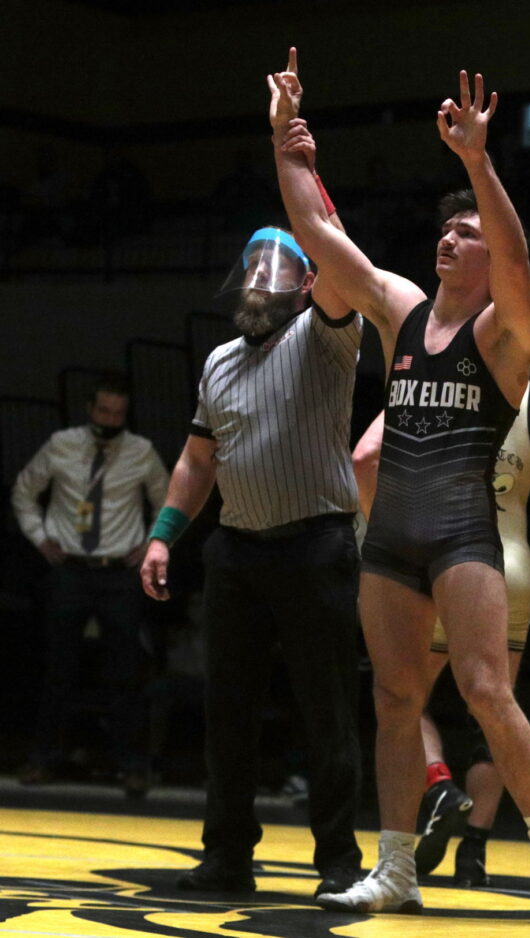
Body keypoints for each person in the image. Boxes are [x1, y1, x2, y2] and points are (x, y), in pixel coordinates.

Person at [269, 50, 530, 925]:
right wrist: (287, 149)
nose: (449, 239)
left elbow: (518, 264)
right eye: (444, 231)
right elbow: (319, 238)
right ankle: (397, 865)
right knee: (395, 697)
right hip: (392, 539)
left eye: (465, 233)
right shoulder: (402, 308)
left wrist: (478, 164)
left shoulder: (505, 335)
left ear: (488, 254)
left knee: (486, 690)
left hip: (462, 534)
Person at [140, 214, 364, 898]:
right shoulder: (218, 361)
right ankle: (227, 855)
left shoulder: (325, 336)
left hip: (316, 543)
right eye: (255, 266)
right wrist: (162, 534)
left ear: (306, 283)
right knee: (226, 710)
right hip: (237, 550)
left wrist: (302, 181)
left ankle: (336, 863)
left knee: (325, 707)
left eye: (281, 266)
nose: (264, 278)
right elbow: (196, 459)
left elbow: (341, 269)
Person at [352, 382, 530, 886]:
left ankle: (439, 786)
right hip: (511, 566)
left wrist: (387, 535)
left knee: (405, 698)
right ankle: (481, 849)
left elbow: (366, 458)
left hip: (440, 560)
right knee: (495, 711)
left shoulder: (432, 392)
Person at [11, 372, 169, 797]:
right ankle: (43, 758)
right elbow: (24, 491)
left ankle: (133, 765)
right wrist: (39, 537)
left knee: (126, 672)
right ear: (89, 408)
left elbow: (168, 498)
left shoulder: (141, 451)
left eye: (118, 412)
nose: (111, 418)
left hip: (118, 571)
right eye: (104, 410)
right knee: (58, 668)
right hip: (70, 568)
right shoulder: (63, 444)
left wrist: (153, 541)